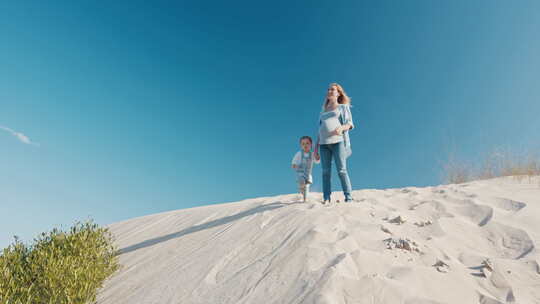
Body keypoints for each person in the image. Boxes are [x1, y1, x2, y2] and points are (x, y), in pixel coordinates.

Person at [314, 83, 355, 204]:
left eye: (333, 89)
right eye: (328, 89)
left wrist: (341, 128)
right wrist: (315, 149)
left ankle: (348, 197)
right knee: (325, 172)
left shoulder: (343, 107)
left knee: (341, 170)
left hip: (338, 142)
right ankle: (326, 198)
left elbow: (350, 124)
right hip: (323, 144)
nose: (330, 91)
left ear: (338, 93)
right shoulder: (322, 111)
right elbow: (319, 130)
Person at [291, 136, 320, 202]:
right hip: (300, 173)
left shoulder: (312, 154)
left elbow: (317, 161)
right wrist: (294, 164)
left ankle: (305, 199)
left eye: (307, 143)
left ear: (311, 145)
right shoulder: (299, 153)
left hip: (308, 174)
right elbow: (294, 160)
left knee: (307, 186)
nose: (305, 145)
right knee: (302, 184)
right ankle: (301, 189)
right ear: (301, 145)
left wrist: (317, 157)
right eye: (303, 144)